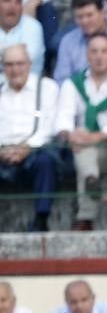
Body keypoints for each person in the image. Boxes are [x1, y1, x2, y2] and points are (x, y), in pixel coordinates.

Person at [56, 32, 107, 229]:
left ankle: (85, 218)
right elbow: (63, 119)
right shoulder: (72, 84)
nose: (99, 56)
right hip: (80, 146)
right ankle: (90, 187)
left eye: (104, 51)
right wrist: (73, 134)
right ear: (87, 56)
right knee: (83, 147)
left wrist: (91, 137)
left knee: (83, 149)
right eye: (94, 52)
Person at [0, 44, 59, 231]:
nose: (15, 69)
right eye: (9, 64)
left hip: (34, 150)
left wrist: (27, 147)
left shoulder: (47, 87)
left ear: (29, 64)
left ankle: (41, 219)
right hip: (3, 152)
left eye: (19, 63)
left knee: (47, 160)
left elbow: (51, 126)